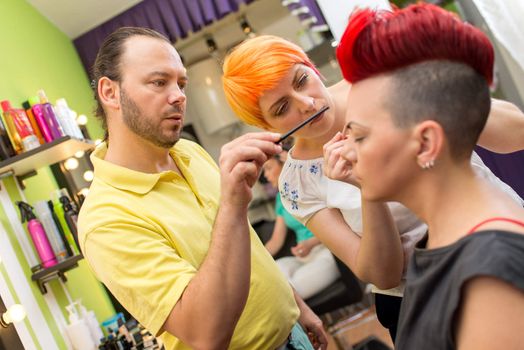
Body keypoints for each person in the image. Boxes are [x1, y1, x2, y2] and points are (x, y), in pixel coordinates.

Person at [222, 34, 524, 340]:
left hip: (501, 238)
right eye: (281, 107)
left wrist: (432, 90)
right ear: (267, 126)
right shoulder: (296, 184)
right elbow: (383, 275)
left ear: (314, 69)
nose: (307, 103)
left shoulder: (376, 84)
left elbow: (517, 134)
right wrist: (368, 190)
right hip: (421, 298)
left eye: (301, 81)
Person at [77, 27, 327, 350]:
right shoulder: (105, 219)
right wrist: (233, 205)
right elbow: (207, 334)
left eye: (181, 83)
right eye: (159, 82)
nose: (179, 95)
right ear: (110, 93)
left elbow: (247, 246)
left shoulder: (189, 152)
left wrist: (297, 308)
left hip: (293, 333)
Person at [330, 4, 524, 348]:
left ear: (426, 142)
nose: (348, 152)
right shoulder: (439, 244)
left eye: (360, 136)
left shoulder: (488, 276)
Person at [263, 152, 340, 299]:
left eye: (268, 168)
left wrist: (311, 243)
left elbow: (341, 222)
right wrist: (255, 260)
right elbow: (276, 240)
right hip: (303, 257)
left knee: (289, 294)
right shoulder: (281, 199)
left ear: (285, 164)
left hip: (327, 251)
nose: (266, 175)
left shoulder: (310, 184)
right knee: (274, 280)